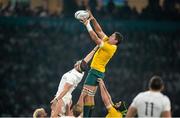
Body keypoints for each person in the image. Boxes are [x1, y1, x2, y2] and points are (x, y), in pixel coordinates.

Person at [77, 10, 124, 117]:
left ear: (115, 41)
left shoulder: (111, 47)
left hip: (95, 71)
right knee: (89, 96)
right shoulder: (108, 41)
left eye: (112, 36)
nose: (110, 36)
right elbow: (99, 30)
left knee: (83, 95)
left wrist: (87, 25)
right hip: (98, 71)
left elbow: (95, 38)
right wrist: (92, 18)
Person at [50, 46, 98, 117]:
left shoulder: (72, 76)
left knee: (54, 116)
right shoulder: (81, 72)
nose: (77, 62)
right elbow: (86, 60)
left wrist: (57, 99)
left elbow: (65, 90)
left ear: (78, 66)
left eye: (78, 62)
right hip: (66, 97)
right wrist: (95, 49)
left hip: (62, 98)